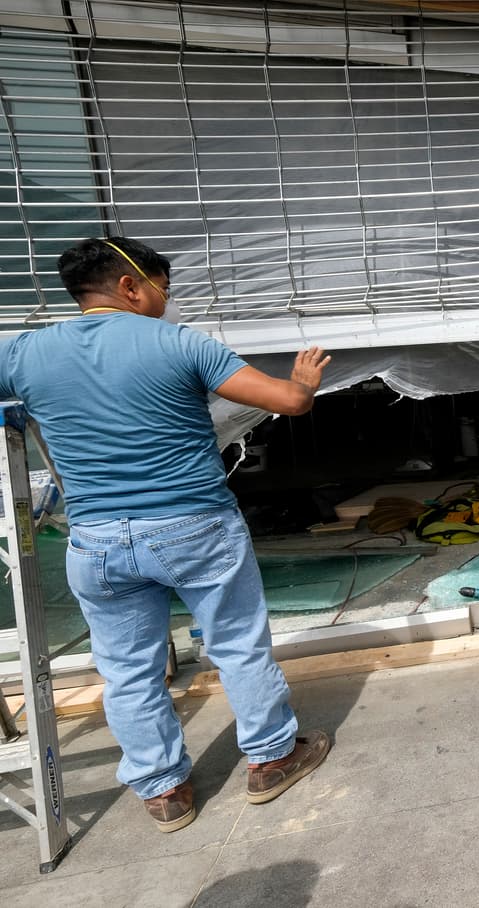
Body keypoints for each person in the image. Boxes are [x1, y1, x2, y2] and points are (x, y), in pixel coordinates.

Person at [0, 237, 334, 832]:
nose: (166, 300)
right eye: (162, 288)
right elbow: (286, 401)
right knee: (236, 645)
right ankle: (272, 759)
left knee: (127, 670)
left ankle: (164, 792)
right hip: (195, 527)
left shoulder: (24, 352)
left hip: (97, 541)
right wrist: (304, 383)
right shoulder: (179, 343)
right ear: (129, 285)